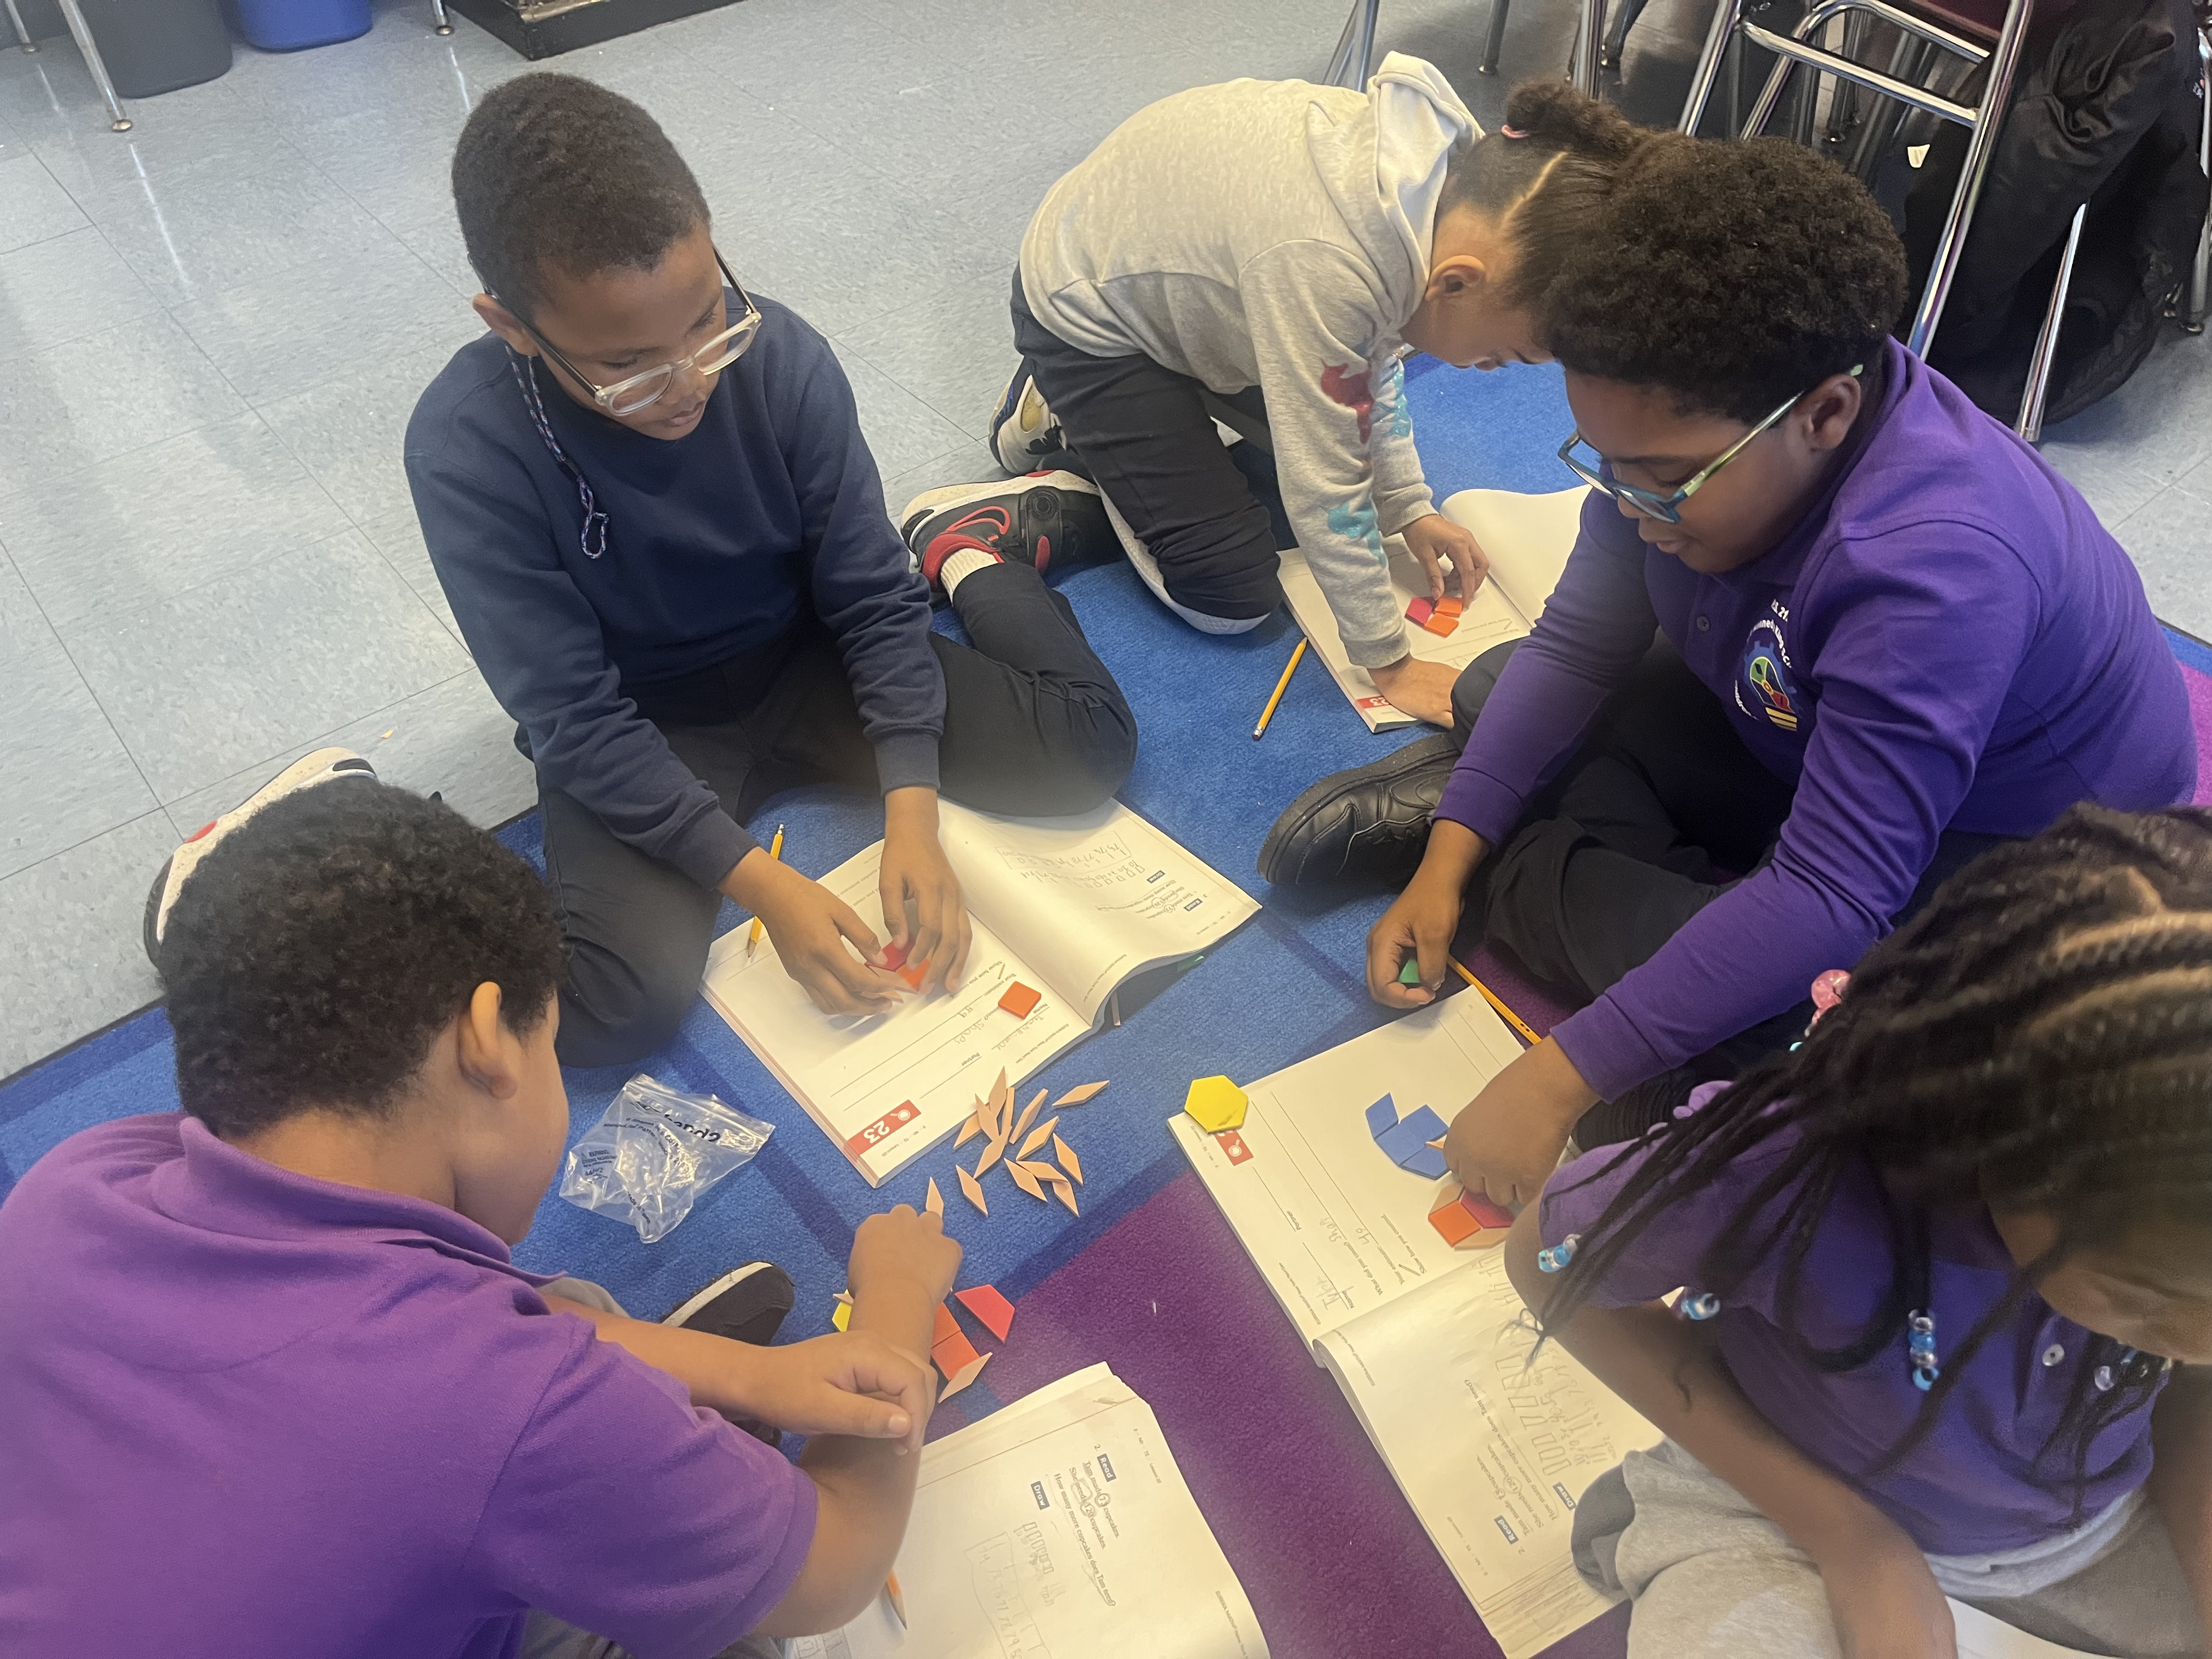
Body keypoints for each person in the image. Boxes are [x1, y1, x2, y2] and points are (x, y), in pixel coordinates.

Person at [1260, 131, 2196, 1201]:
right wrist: (1445, 857)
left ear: (1826, 415)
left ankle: (1527, 875)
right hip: (1814, 745)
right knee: (1503, 685)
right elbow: (1576, 643)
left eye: (1659, 478)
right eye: (1602, 461)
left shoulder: (1936, 567)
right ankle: (1512, 848)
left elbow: (1835, 889)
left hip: (2003, 886)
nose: (1625, 502)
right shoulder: (1679, 452)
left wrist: (1563, 1075)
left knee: (1847, 1035)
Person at [1, 778, 962, 1659]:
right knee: (747, 1630)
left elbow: (472, 1358)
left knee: (566, 1303)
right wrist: (895, 1299)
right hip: (478, 1453)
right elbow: (834, 1561)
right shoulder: (495, 1403)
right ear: (487, 1035)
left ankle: (636, 1454)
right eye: (550, 1048)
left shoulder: (75, 1180)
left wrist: (752, 1374)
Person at [397, 72, 1136, 1068]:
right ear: (514, 328)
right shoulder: (466, 449)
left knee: (1087, 748)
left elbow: (871, 599)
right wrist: (763, 884)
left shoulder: (781, 358)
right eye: (630, 364)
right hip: (644, 715)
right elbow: (571, 715)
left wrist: (909, 800)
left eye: (709, 318)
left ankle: (968, 553)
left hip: (805, 651)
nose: (691, 379)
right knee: (613, 1006)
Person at [1506, 805, 2212, 1659]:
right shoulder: (1785, 1167)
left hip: (2100, 1527)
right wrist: (1853, 1541)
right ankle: (1656, 1520)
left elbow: (2191, 1393)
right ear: (1996, 1137)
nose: (2199, 1343)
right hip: (1787, 1515)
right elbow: (1542, 1260)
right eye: (2149, 1301)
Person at [989, 69, 1644, 727]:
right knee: (1229, 597)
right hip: (1087, 311)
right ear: (1457, 282)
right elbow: (1328, 482)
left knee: (1333, 466)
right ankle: (1063, 398)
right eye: (1503, 356)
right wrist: (1391, 663)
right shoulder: (1330, 262)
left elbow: (1371, 363)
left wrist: (1408, 507)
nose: (1486, 370)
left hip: (1205, 297)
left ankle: (1138, 409)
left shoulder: (1449, 194)